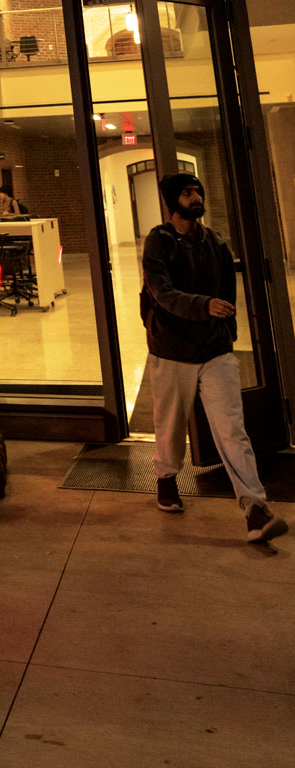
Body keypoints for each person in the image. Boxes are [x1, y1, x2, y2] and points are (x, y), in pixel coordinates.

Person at [142, 172, 287, 542]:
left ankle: (255, 508)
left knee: (231, 431)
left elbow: (227, 295)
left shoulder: (216, 243)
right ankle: (166, 478)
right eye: (187, 193)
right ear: (172, 201)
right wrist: (204, 306)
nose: (195, 197)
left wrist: (227, 334)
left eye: (198, 191)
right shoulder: (159, 242)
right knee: (170, 423)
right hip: (171, 349)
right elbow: (162, 292)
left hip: (214, 350)